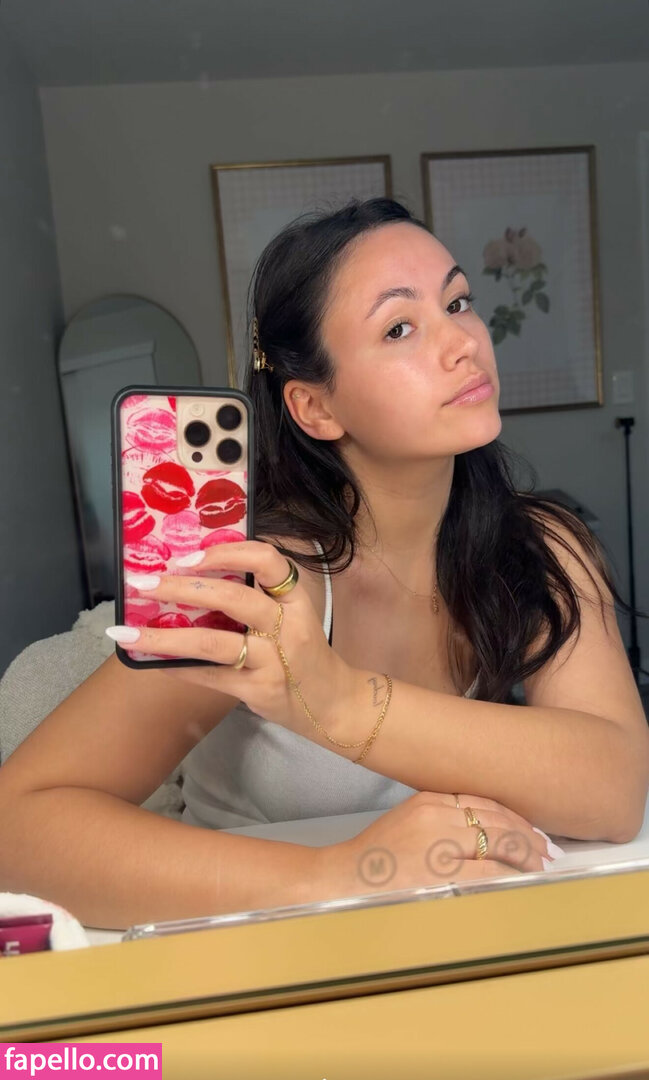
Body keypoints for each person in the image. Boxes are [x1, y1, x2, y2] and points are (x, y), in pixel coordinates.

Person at [0, 198, 647, 931]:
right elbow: (18, 831)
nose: (463, 342)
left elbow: (614, 789)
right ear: (315, 408)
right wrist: (340, 876)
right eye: (399, 327)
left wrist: (338, 701)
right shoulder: (256, 584)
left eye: (458, 302)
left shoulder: (540, 545)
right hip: (266, 953)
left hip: (455, 937)